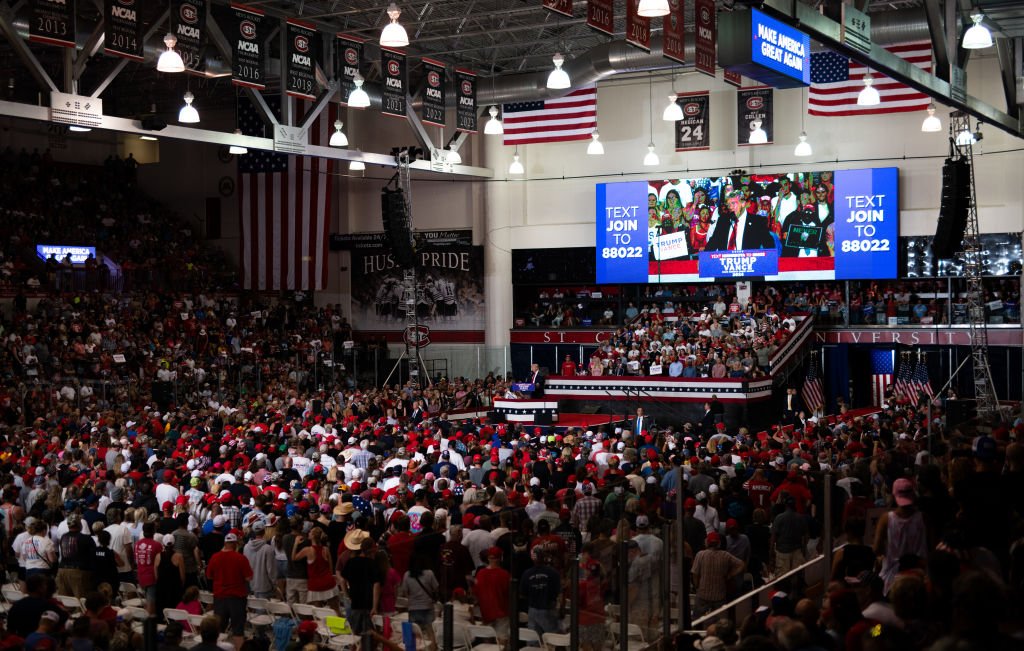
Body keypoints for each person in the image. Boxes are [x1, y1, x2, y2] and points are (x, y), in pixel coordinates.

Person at [875, 478, 928, 594]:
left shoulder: (886, 519)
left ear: (894, 495)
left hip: (892, 578)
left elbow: (877, 549)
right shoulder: (923, 518)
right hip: (919, 575)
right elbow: (931, 545)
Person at [205, 531, 252, 650]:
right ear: (235, 544)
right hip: (237, 598)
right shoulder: (241, 558)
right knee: (238, 630)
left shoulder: (215, 557)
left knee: (219, 630)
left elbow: (209, 576)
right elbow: (248, 577)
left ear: (225, 543)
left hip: (220, 597)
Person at [691, 532, 744, 617]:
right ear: (719, 543)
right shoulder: (725, 555)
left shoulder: (700, 554)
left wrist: (697, 586)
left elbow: (695, 574)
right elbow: (741, 564)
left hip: (703, 595)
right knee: (720, 621)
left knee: (697, 620)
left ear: (707, 542)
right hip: (719, 596)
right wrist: (730, 575)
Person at [706, 190, 776, 251]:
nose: (730, 207)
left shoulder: (757, 221)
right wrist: (703, 260)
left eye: (733, 203)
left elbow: (769, 246)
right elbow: (712, 243)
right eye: (728, 204)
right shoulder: (723, 220)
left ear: (743, 203)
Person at [339, 537, 381, 635]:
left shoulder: (351, 562)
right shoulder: (372, 564)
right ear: (372, 549)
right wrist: (375, 606)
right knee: (369, 634)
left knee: (356, 633)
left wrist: (347, 595)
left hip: (355, 602)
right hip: (369, 603)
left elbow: (342, 579)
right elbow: (376, 585)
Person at [293, 526, 341, 613]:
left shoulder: (307, 550)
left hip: (315, 585)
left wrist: (296, 543)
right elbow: (330, 568)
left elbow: (294, 558)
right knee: (335, 610)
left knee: (318, 613)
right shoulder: (326, 549)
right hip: (328, 582)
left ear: (313, 536)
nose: (309, 533)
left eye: (310, 532)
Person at [399, 554, 439, 648]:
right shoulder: (429, 573)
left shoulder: (407, 574)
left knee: (415, 635)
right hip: (428, 607)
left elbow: (404, 591)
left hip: (413, 608)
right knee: (430, 633)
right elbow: (436, 588)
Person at [473, 547, 510, 645]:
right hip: (502, 611)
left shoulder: (480, 574)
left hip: (486, 612)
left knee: (487, 641)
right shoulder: (505, 574)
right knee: (502, 640)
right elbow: (509, 592)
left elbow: (476, 593)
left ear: (488, 558)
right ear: (500, 558)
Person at [520, 552, 561, 637]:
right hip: (548, 609)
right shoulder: (553, 572)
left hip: (532, 610)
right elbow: (559, 592)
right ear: (544, 558)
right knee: (553, 638)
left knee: (534, 639)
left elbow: (522, 594)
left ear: (533, 559)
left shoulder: (526, 573)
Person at [57, 514, 96, 598]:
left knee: (66, 601)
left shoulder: (63, 537)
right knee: (81, 602)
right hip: (78, 572)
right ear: (80, 524)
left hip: (62, 570)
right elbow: (93, 556)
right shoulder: (86, 538)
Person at [243, 521, 277, 600]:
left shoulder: (246, 547)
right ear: (264, 531)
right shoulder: (268, 549)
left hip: (250, 585)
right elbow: (271, 570)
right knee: (262, 611)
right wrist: (274, 583)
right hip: (264, 586)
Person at [134, 522, 161, 615]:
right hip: (152, 577)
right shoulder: (157, 545)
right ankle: (149, 626)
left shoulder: (137, 544)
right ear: (154, 531)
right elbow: (159, 562)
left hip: (140, 576)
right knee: (151, 603)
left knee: (147, 601)